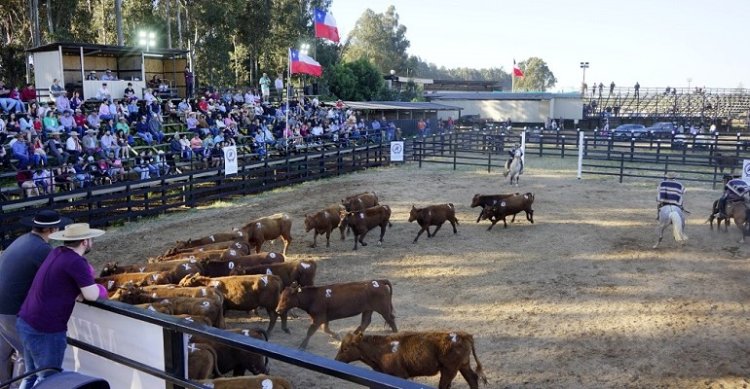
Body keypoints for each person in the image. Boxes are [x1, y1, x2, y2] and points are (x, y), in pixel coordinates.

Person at [16, 223, 105, 388]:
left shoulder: (57, 252)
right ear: (85, 241)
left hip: (26, 321)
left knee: (30, 376)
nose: (92, 241)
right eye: (91, 239)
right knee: (50, 379)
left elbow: (63, 283)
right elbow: (91, 295)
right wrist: (102, 290)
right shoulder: (76, 262)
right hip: (46, 329)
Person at [0, 210, 71, 388]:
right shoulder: (42, 249)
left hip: (2, 304)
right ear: (51, 230)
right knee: (28, 355)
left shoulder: (22, 240)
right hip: (11, 309)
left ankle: (4, 384)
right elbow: (59, 275)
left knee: (3, 352)